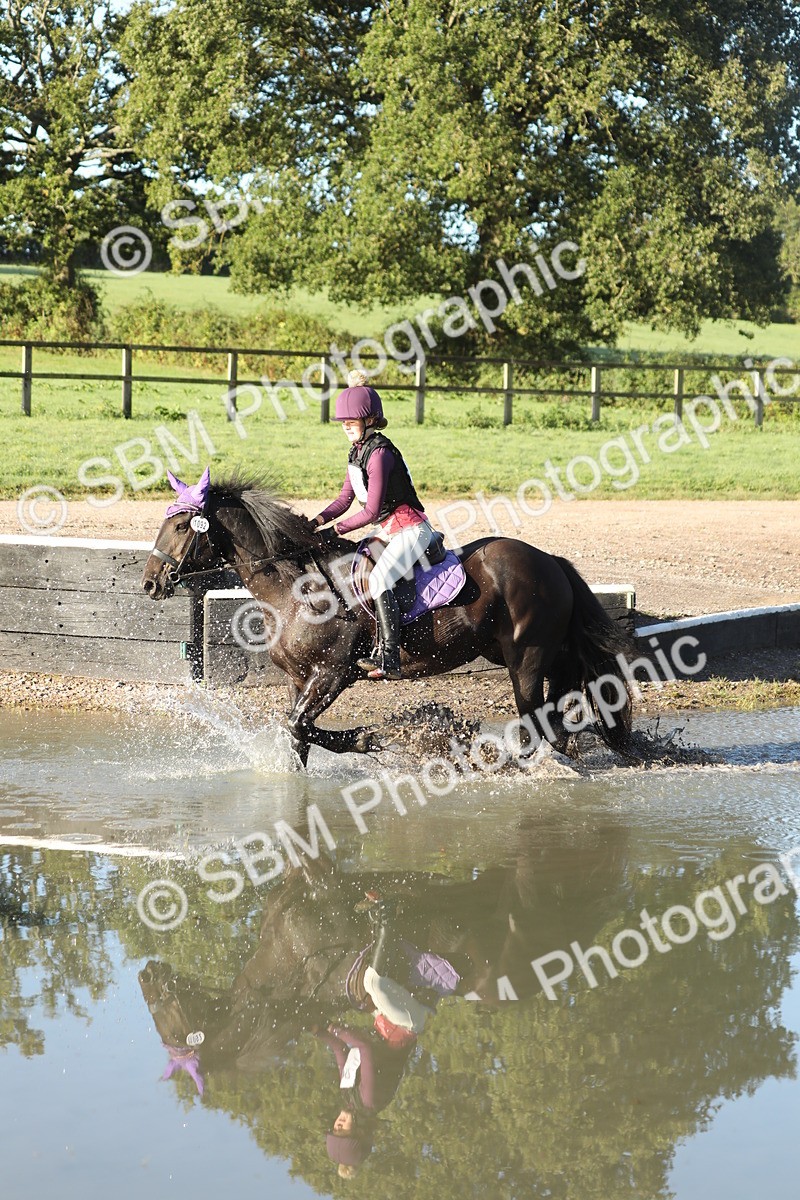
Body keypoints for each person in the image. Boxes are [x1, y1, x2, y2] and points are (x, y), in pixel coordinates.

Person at [313, 371, 439, 680]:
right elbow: (344, 499)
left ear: (370, 420)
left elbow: (369, 511)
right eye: (343, 423)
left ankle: (389, 656)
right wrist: (315, 521)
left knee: (380, 580)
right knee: (355, 565)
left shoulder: (380, 454)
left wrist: (335, 531)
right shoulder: (357, 452)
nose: (346, 427)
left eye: (351, 422)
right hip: (387, 529)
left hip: (410, 529)